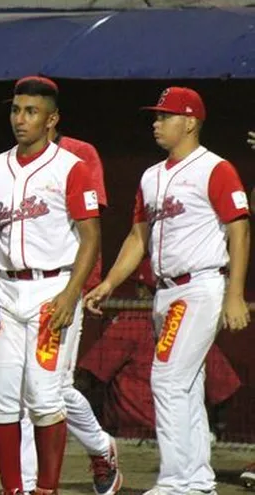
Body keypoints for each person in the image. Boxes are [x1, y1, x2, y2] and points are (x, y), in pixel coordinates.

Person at [84, 86, 250, 495]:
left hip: (200, 285)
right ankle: (196, 479)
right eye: (155, 116)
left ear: (190, 121)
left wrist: (235, 293)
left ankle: (178, 481)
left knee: (168, 379)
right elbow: (138, 237)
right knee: (186, 385)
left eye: (165, 116)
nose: (156, 123)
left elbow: (240, 230)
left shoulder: (215, 168)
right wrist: (108, 283)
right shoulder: (151, 175)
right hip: (164, 292)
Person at [0, 77, 120, 495]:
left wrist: (71, 294)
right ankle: (14, 489)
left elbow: (91, 237)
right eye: (16, 110)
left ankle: (45, 489)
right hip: (4, 291)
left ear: (52, 119)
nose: (20, 118)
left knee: (45, 397)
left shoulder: (71, 167)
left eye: (31, 111)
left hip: (51, 290)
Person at [78, 260, 241, 440]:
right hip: (179, 434)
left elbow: (89, 379)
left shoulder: (130, 322)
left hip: (131, 434)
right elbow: (224, 391)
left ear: (144, 289)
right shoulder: (191, 323)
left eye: (141, 286)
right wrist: (217, 429)